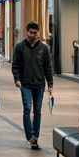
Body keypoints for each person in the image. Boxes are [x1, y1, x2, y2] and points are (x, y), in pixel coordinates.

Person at [11, 22, 54, 150]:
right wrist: (17, 79)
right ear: (27, 32)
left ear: (38, 33)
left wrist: (50, 84)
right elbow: (15, 65)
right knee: (27, 109)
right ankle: (29, 136)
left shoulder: (43, 48)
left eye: (35, 33)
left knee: (38, 111)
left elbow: (48, 67)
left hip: (40, 84)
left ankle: (36, 136)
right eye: (31, 33)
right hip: (25, 84)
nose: (33, 35)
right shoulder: (20, 47)